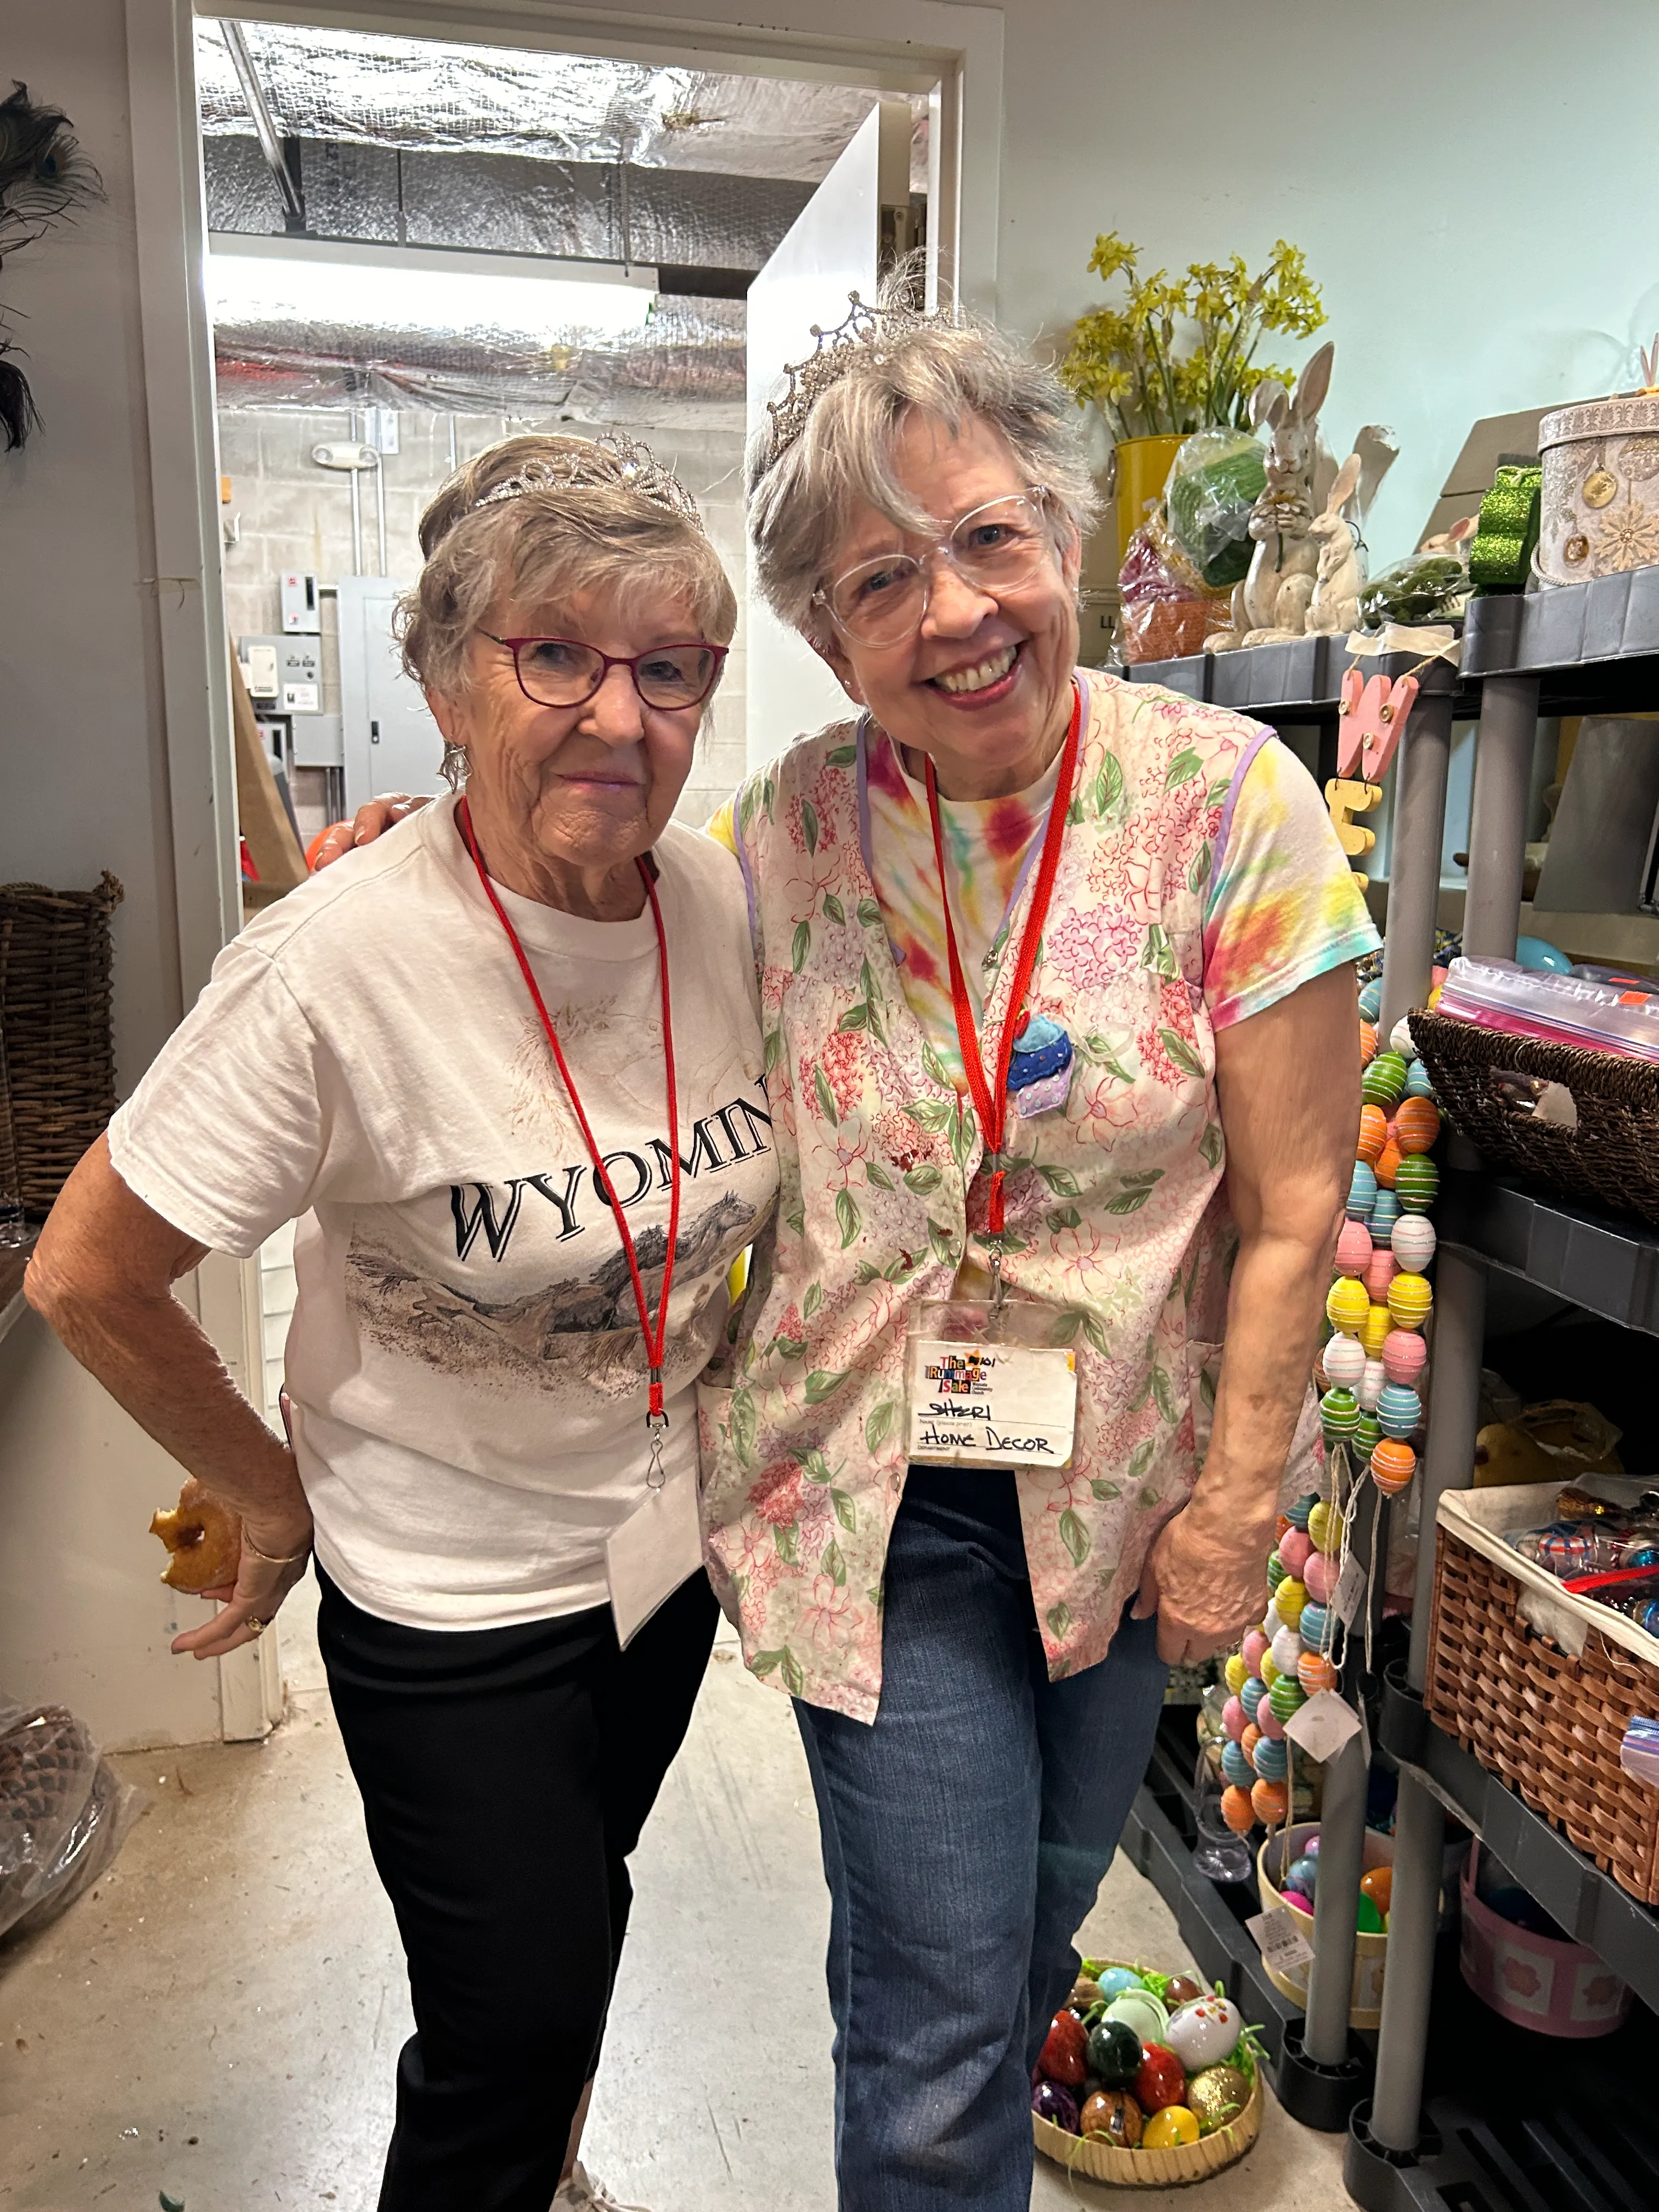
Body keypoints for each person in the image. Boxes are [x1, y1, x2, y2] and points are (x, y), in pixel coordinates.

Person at [327, 301, 1379, 2210]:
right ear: (823, 637)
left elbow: (1302, 1206)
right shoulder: (789, 829)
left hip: (1132, 1491)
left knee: (1020, 1948)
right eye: (882, 579)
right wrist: (412, 860)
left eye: (988, 539)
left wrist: (1233, 1507)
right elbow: (576, 919)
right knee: (933, 2036)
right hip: (875, 1509)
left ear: (1064, 536)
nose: (957, 611)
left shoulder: (1240, 812)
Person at [27, 432, 776, 2212]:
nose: (619, 713)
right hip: (449, 1599)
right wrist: (269, 1494)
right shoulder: (333, 963)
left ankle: (555, 2170)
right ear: (448, 678)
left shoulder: (731, 903)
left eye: (668, 668)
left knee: (579, 1915)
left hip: (661, 1567)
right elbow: (85, 1271)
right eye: (557, 655)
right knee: (501, 2026)